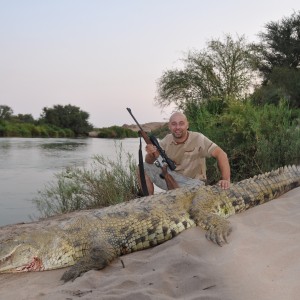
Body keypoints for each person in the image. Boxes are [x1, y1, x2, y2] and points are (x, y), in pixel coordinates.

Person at [141, 112, 230, 195]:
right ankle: (149, 201)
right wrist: (151, 153)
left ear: (187, 125)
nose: (177, 127)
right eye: (174, 124)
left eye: (181, 123)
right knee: (142, 167)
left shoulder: (198, 138)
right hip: (173, 179)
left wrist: (226, 179)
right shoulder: (166, 140)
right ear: (169, 126)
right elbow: (148, 162)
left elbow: (221, 154)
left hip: (194, 184)